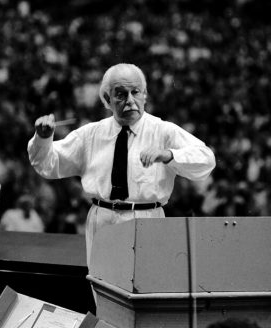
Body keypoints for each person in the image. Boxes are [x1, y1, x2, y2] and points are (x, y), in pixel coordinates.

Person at [28, 63, 216, 266]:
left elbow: (206, 160)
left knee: (148, 284)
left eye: (135, 92)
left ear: (145, 95)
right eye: (121, 94)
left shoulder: (163, 131)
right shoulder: (90, 134)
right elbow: (47, 164)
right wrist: (43, 138)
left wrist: (169, 155)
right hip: (102, 219)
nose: (130, 101)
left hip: (148, 219)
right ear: (107, 100)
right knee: (101, 285)